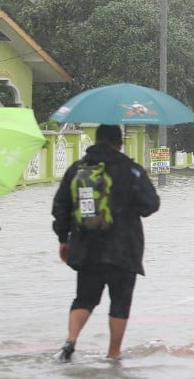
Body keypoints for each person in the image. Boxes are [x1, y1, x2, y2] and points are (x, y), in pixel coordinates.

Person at [52, 125, 160, 361]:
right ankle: (113, 353)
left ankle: (70, 341)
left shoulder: (77, 169)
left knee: (84, 298)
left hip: (86, 248)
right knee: (120, 302)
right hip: (124, 250)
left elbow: (60, 206)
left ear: (95, 140)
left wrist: (63, 238)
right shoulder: (131, 170)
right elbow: (151, 204)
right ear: (119, 143)